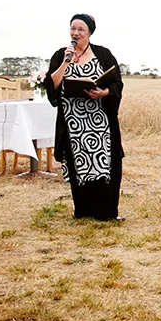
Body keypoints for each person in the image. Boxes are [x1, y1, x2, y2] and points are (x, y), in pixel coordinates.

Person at [45, 14, 124, 221]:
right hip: (73, 123)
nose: (75, 33)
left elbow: (117, 82)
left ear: (89, 33)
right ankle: (83, 210)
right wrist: (64, 63)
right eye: (73, 29)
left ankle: (106, 212)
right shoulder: (60, 55)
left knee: (105, 163)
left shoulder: (103, 54)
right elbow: (51, 86)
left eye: (81, 29)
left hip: (100, 121)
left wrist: (104, 92)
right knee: (78, 163)